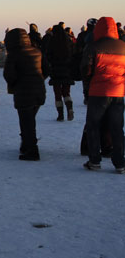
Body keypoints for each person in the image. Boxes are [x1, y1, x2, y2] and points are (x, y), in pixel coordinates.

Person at [80, 16, 125, 173]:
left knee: (93, 125)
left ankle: (94, 160)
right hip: (118, 91)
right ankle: (120, 163)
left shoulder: (93, 46)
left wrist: (90, 83)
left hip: (98, 92)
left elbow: (86, 70)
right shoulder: (123, 46)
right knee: (117, 128)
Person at [3, 28, 49, 161]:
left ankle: (32, 150)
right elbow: (47, 69)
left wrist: (17, 84)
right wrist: (38, 80)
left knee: (27, 122)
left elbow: (8, 75)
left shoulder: (14, 54)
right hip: (39, 91)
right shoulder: (37, 51)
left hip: (23, 92)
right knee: (30, 120)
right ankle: (26, 145)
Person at [45, 24, 75, 121]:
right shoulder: (68, 41)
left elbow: (48, 56)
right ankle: (70, 109)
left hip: (55, 71)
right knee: (66, 92)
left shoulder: (52, 41)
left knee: (57, 94)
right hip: (67, 70)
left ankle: (60, 115)